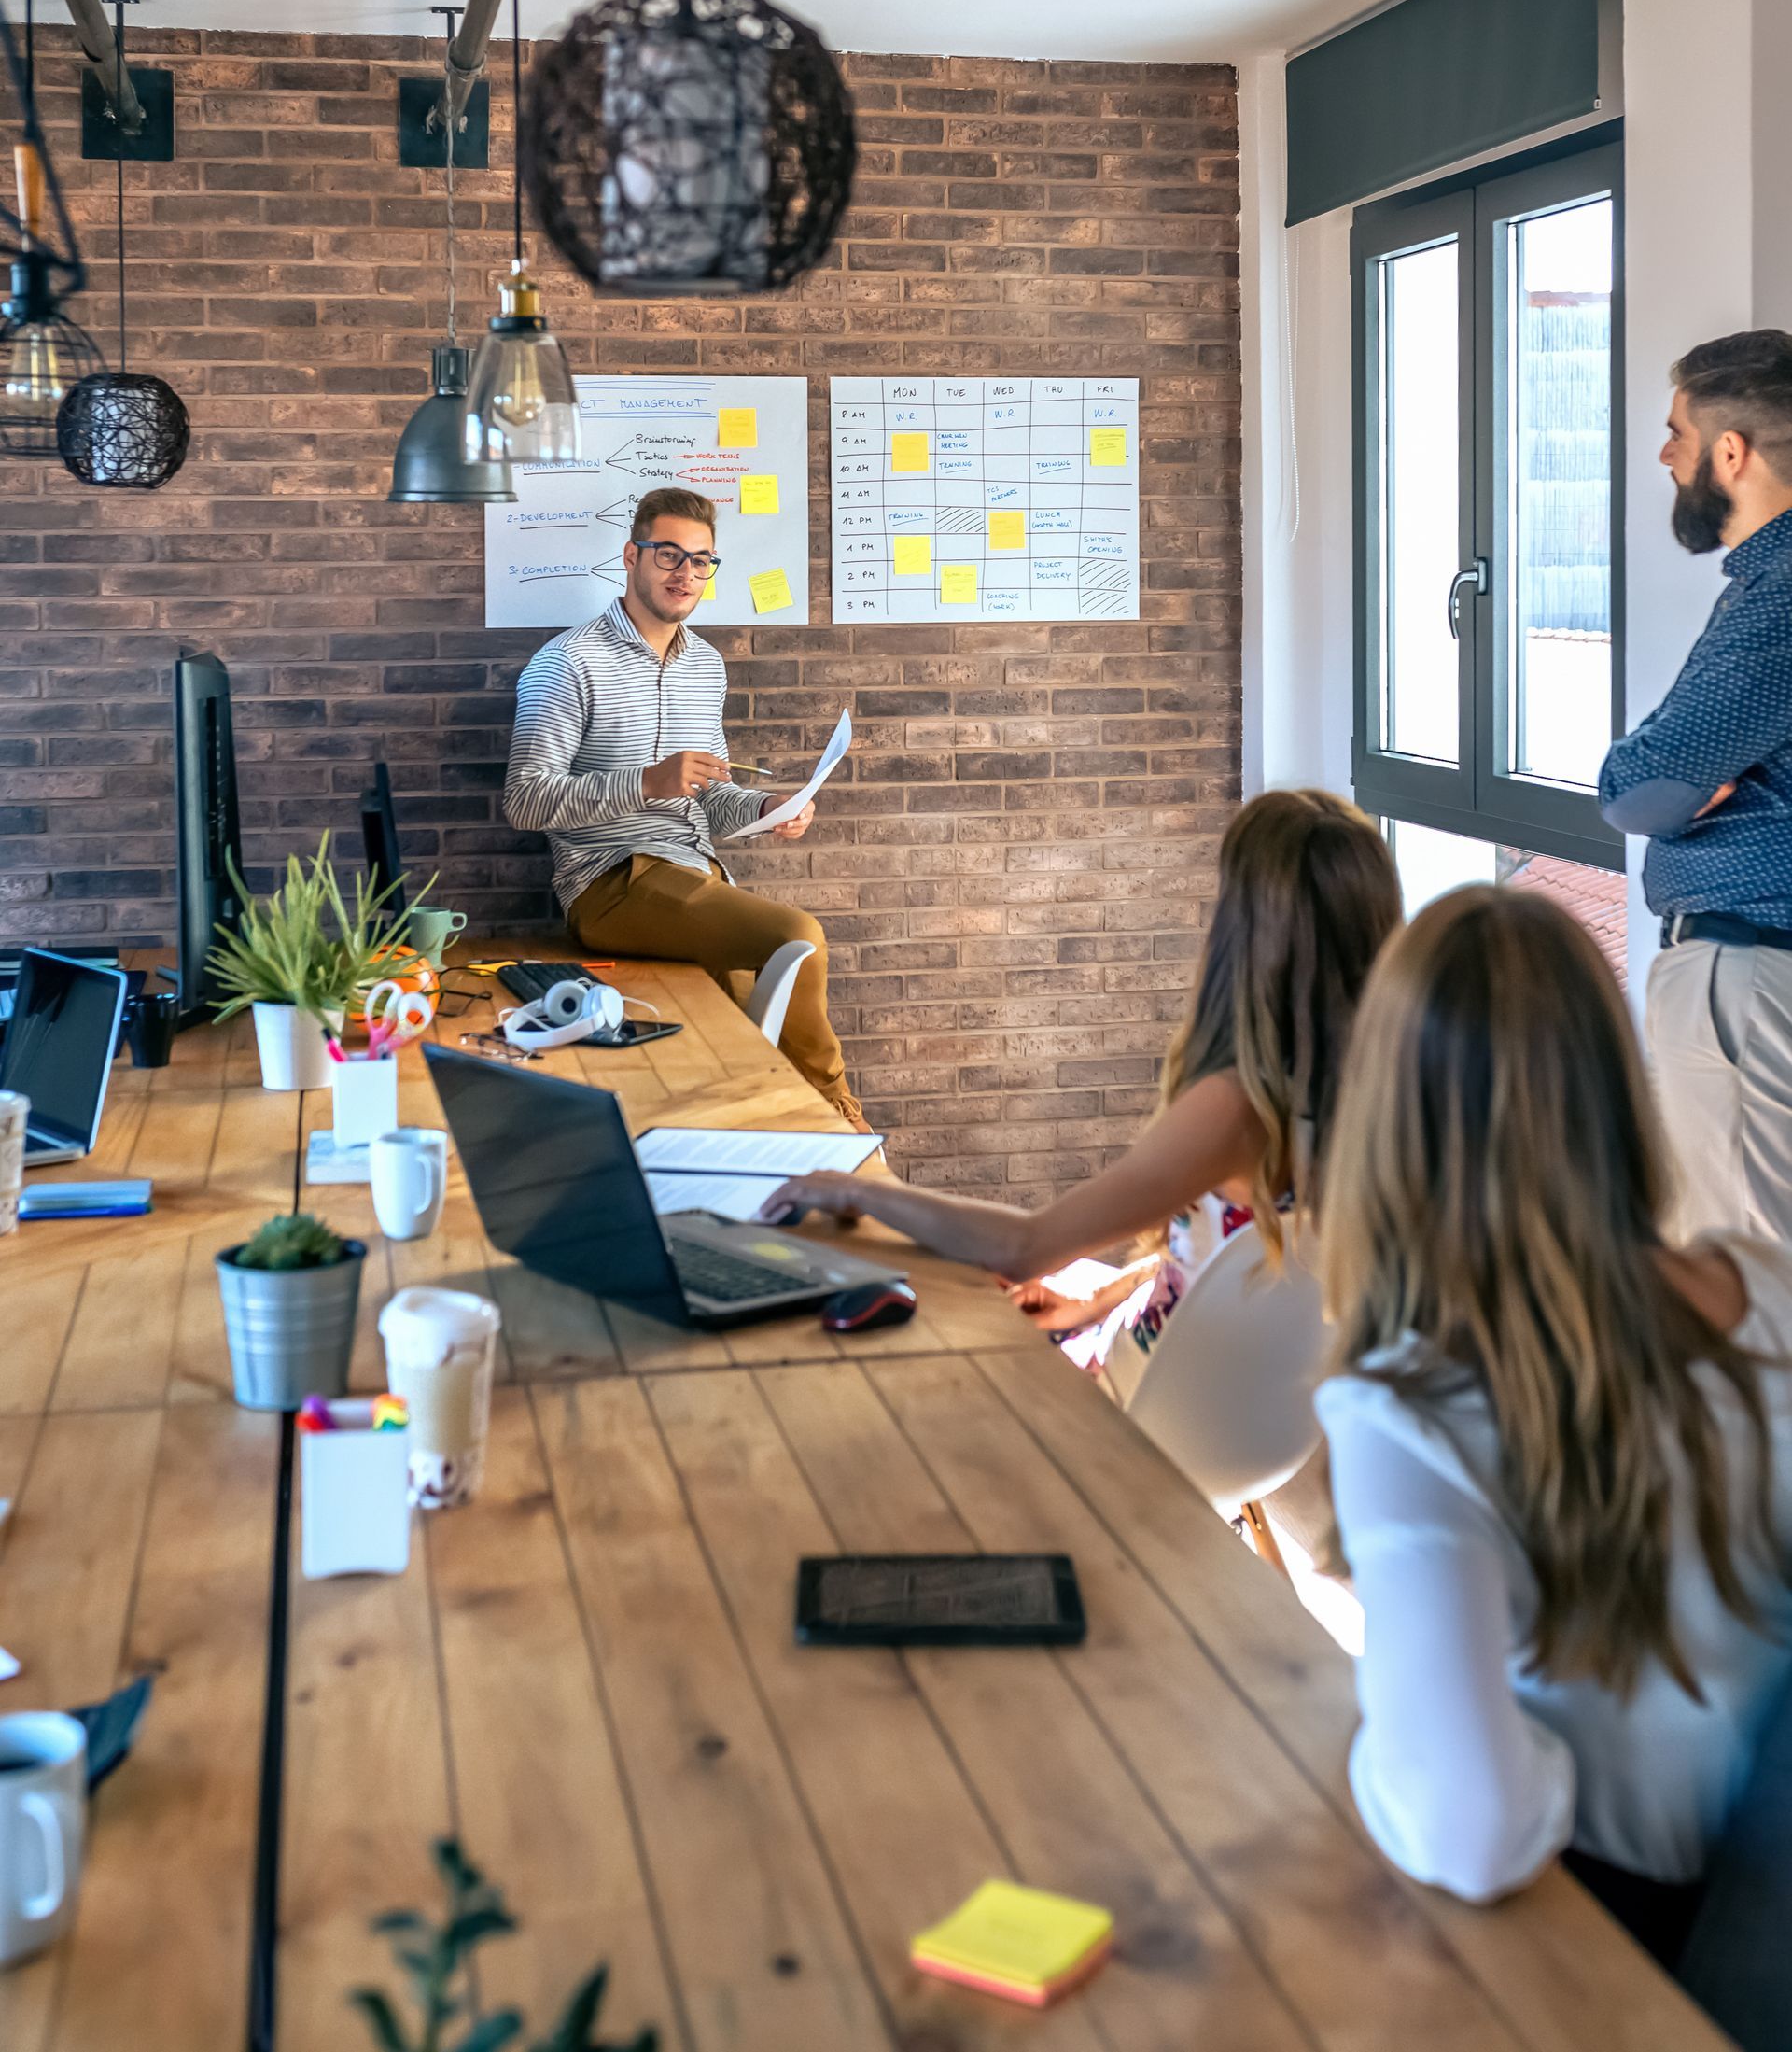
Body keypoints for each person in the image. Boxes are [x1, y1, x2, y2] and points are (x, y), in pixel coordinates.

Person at [1318, 887, 1792, 1961]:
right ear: (1617, 1086)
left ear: (1389, 1116)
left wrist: (1396, 1744)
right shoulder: (1772, 1287)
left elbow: (1472, 1828)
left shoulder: (1409, 1408)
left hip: (1630, 1947)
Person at [757, 790, 1402, 1382]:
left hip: (1123, 1414)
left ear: (1247, 932)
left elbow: (1024, 1247)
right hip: (1218, 1415)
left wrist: (854, 1188)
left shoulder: (1235, 1109)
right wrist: (1096, 1299)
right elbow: (1231, 1261)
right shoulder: (1381, 1101)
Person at [503, 485, 868, 1131]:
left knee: (746, 1045)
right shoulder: (566, 662)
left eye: (701, 560)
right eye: (669, 554)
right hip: (611, 882)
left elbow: (707, 792)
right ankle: (839, 1114)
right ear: (631, 555)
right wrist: (645, 782)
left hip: (694, 876)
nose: (685, 573)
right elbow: (525, 799)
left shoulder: (706, 664)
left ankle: (789, 1165)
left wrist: (765, 806)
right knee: (799, 939)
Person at [1599, 330, 1792, 1240]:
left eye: (1677, 430)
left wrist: (1668, 781)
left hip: (1748, 976)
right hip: (1749, 970)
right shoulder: (1761, 584)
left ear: (1731, 452)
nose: (1665, 453)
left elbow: (1639, 786)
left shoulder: (1781, 596)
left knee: (1743, 1278)